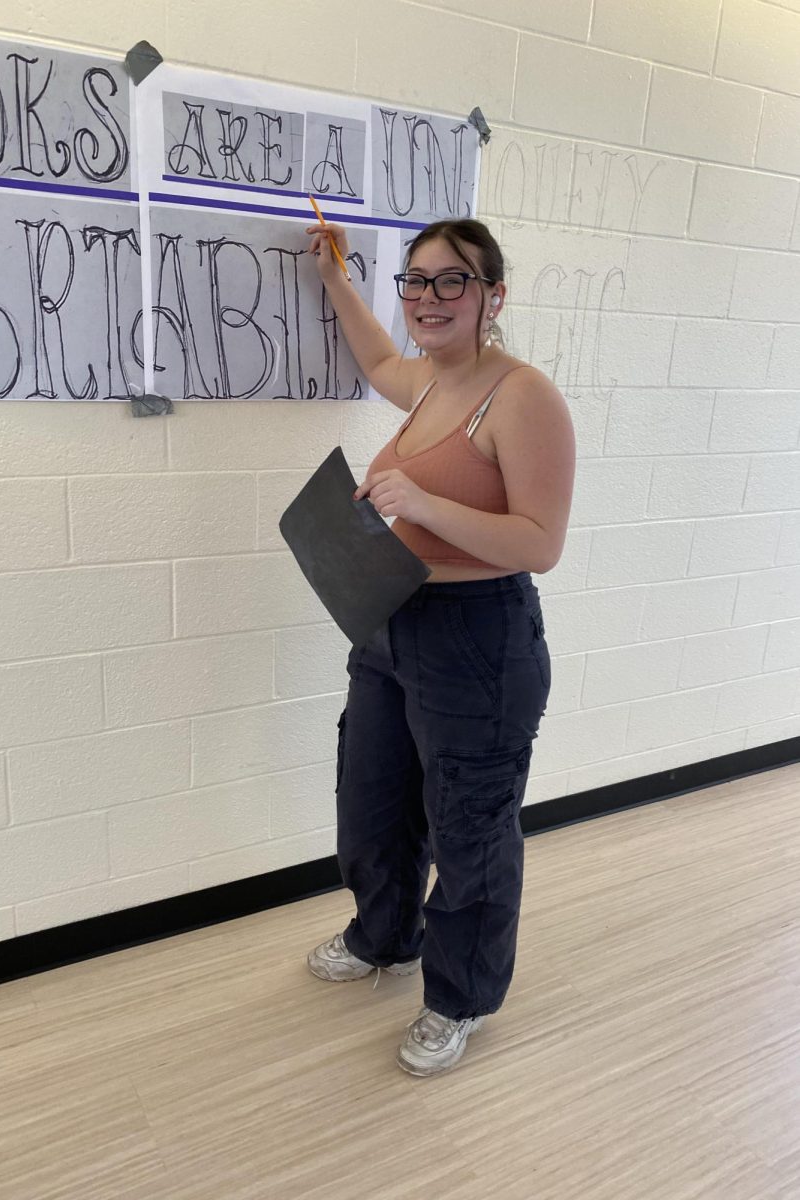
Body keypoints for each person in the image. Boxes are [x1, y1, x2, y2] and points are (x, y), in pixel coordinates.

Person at [303, 216, 575, 1077]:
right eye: (415, 281)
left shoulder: (523, 395)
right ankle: (384, 935)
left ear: (493, 295)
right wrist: (338, 280)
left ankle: (459, 999)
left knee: (471, 829)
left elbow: (539, 542)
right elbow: (381, 360)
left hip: (478, 638)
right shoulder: (428, 381)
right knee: (373, 798)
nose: (427, 298)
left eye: (450, 280)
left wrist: (419, 505)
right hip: (391, 620)